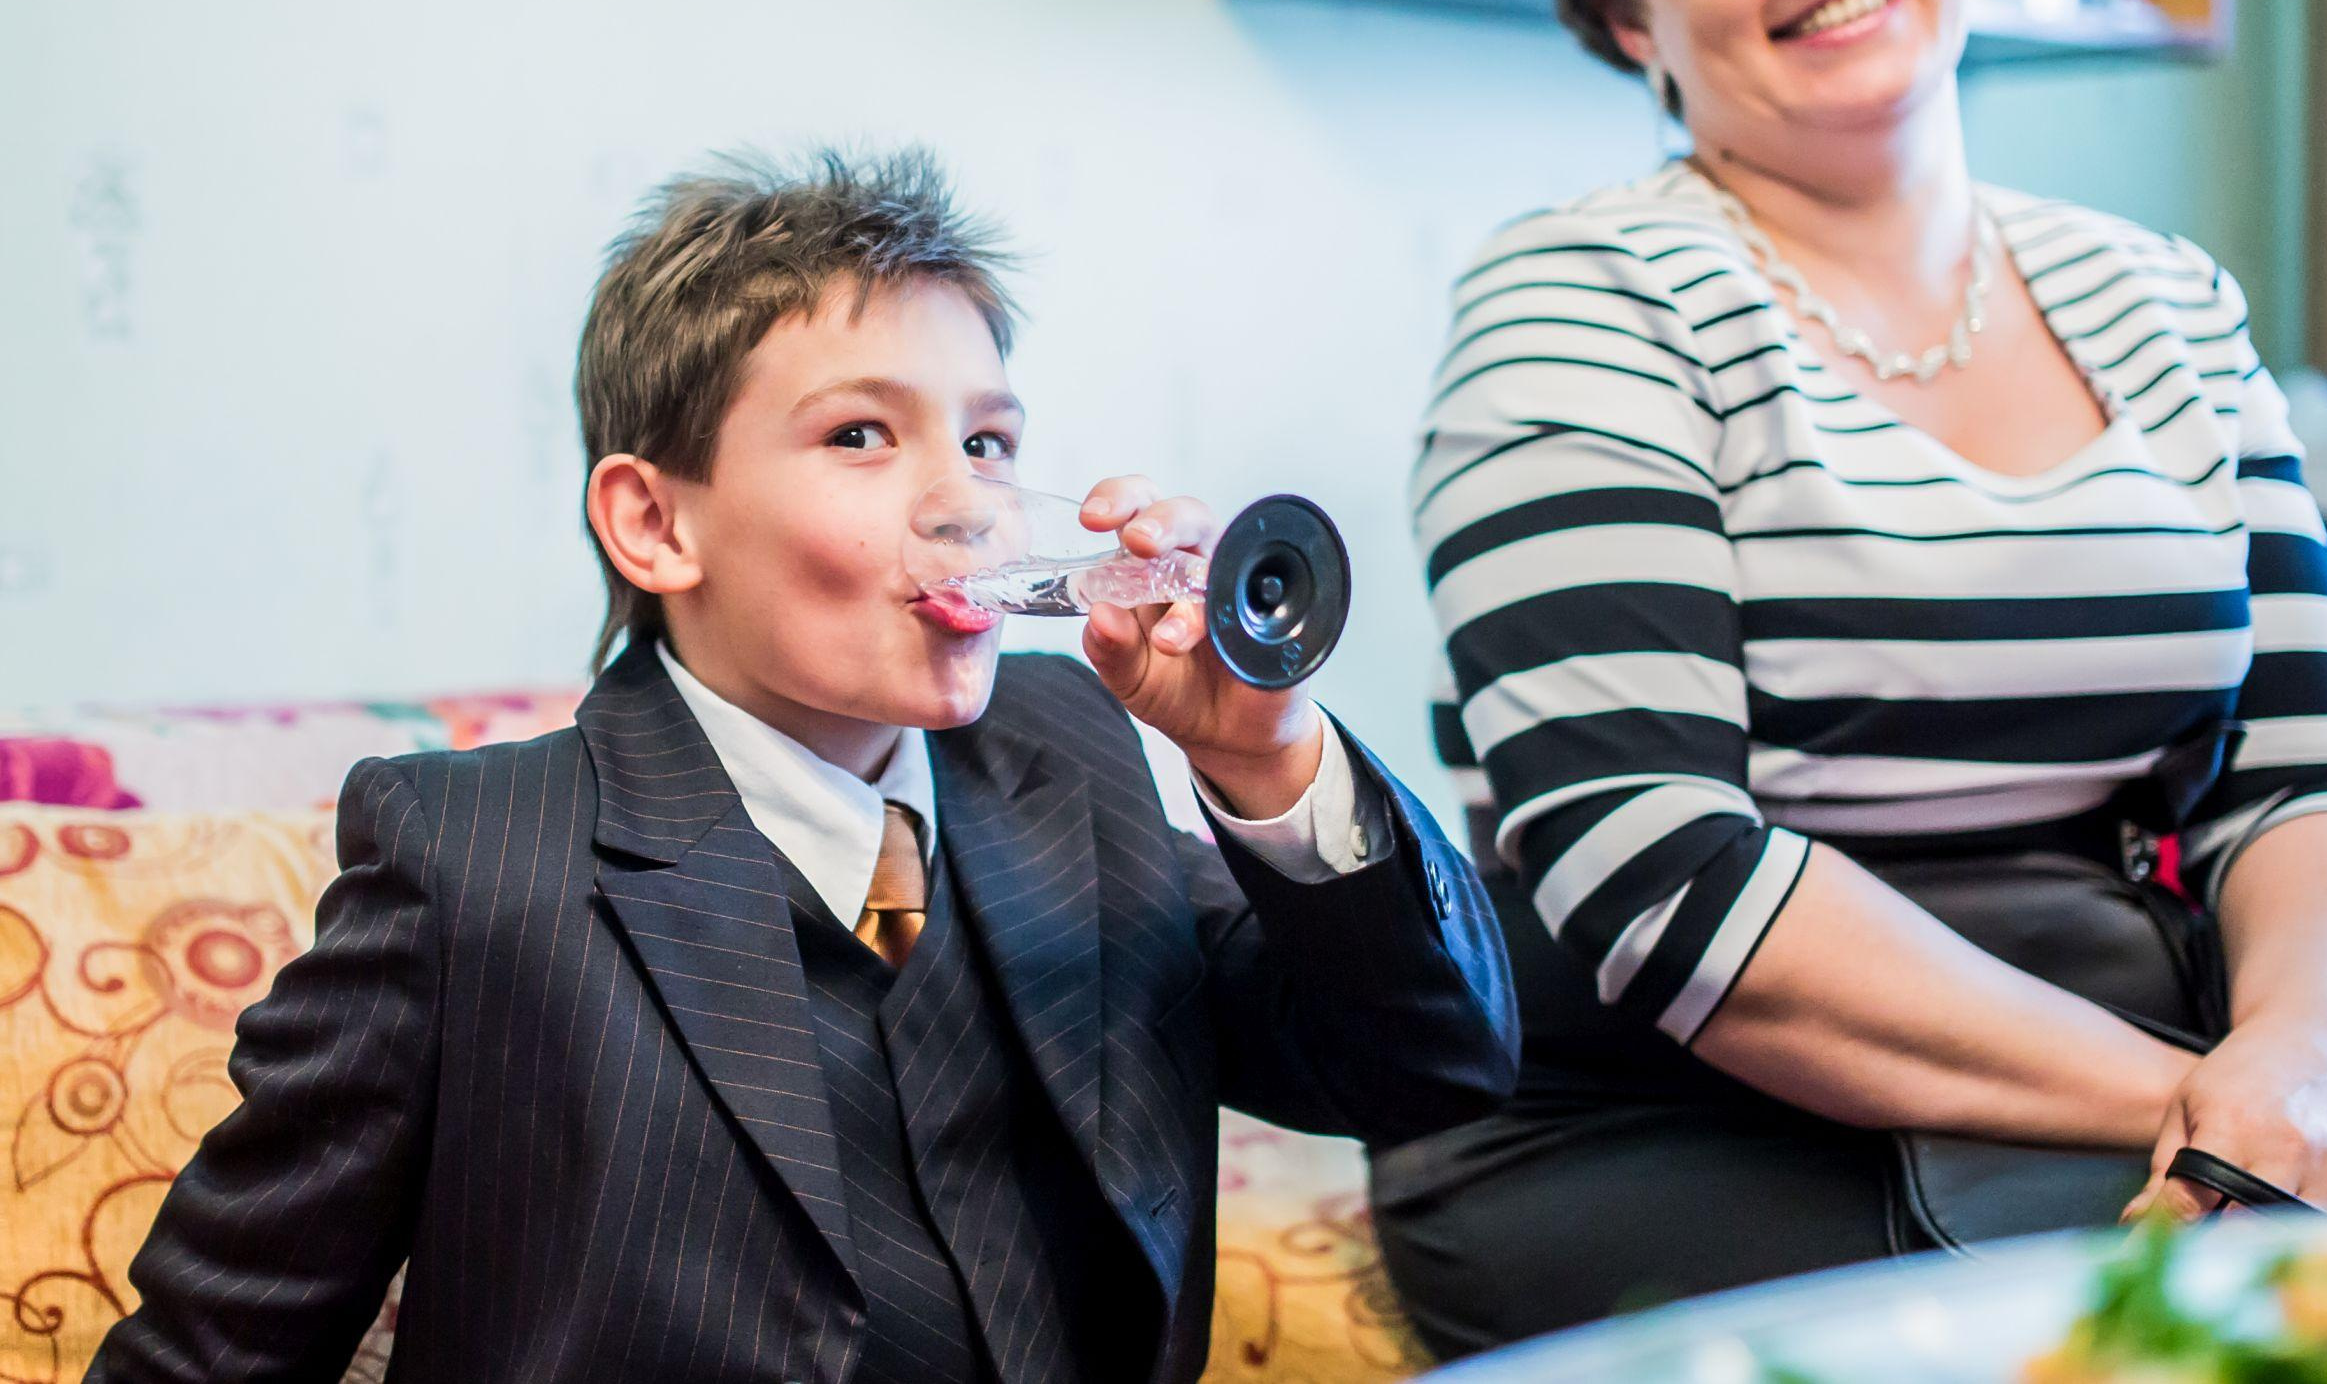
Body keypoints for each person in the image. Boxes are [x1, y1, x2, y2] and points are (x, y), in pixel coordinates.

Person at [1373, 0, 2327, 1360]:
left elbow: (2316, 773)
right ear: (1623, 17)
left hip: (2144, 1042)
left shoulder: (2163, 297)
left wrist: (2314, 1058)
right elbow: (1662, 871)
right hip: (1673, 1114)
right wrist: (2214, 1106)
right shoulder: (1580, 298)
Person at [89, 146, 1517, 1384]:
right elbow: (211, 1348)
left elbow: (1431, 1063)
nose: (966, 506)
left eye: (988, 437)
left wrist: (1261, 753)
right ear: (653, 523)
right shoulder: (477, 858)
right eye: (860, 434)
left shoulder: (1066, 760)